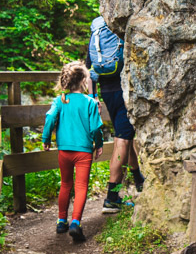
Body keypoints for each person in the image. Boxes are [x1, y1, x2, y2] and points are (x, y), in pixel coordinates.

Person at [87, 16, 145, 213]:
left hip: (107, 92)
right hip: (124, 92)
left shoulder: (97, 34)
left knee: (125, 136)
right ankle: (112, 197)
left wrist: (94, 95)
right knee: (122, 140)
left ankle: (138, 179)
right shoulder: (116, 29)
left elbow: (90, 68)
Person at [43, 62, 104, 242]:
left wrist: (46, 139)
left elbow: (50, 118)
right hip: (83, 151)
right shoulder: (90, 103)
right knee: (81, 186)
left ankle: (61, 221)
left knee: (65, 184)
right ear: (84, 80)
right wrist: (98, 144)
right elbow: (96, 128)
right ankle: (76, 222)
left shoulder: (60, 101)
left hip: (64, 151)